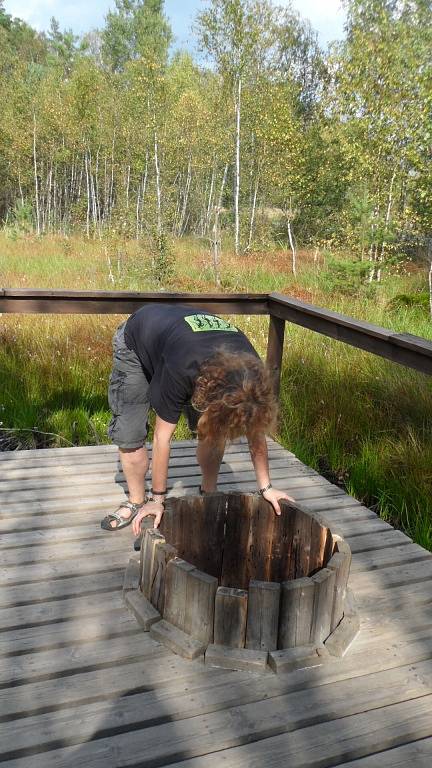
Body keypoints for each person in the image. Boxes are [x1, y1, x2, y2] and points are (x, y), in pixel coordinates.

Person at [100, 304, 294, 534]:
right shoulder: (181, 367)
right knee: (130, 432)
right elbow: (162, 437)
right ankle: (136, 500)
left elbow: (256, 431)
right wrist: (158, 500)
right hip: (138, 341)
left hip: (186, 342)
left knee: (213, 432)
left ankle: (208, 492)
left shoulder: (253, 377)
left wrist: (266, 487)